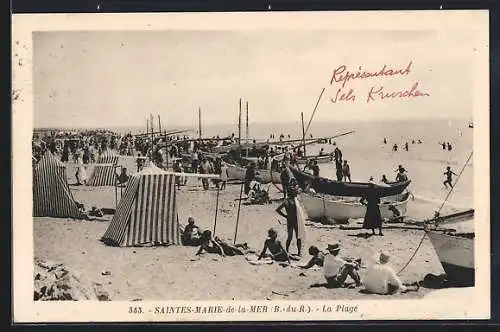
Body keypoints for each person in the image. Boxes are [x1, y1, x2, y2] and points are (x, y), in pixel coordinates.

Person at [275, 179, 302, 256]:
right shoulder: (296, 200)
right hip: (296, 220)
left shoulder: (286, 201)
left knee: (290, 237)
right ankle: (298, 252)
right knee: (297, 237)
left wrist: (285, 216)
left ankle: (287, 250)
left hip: (290, 219)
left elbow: (278, 210)